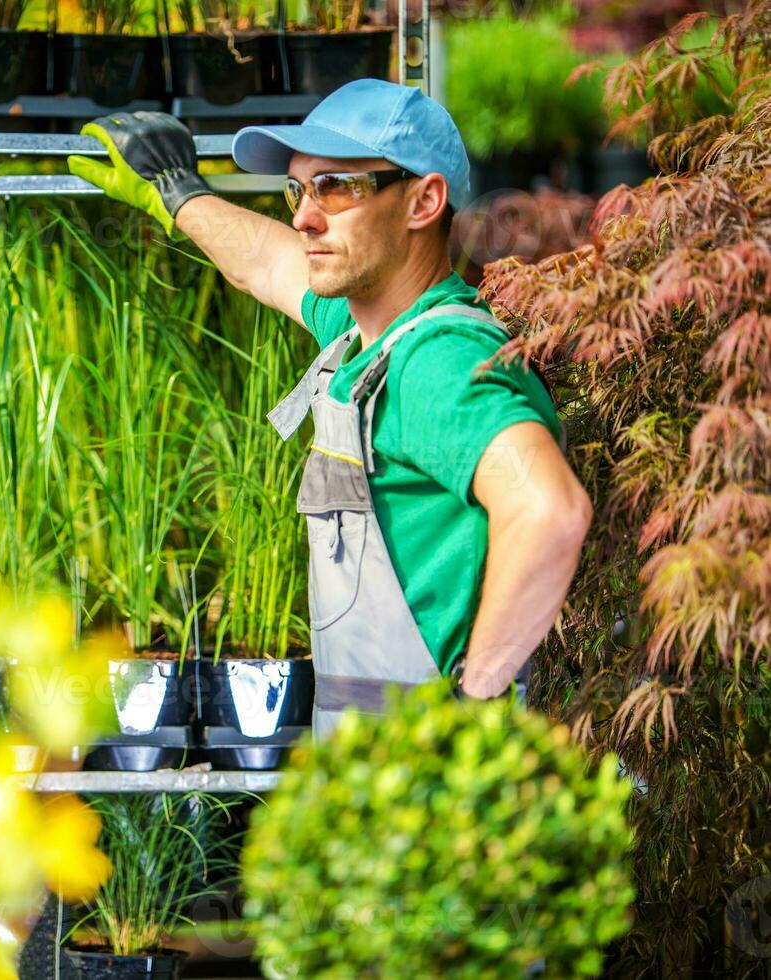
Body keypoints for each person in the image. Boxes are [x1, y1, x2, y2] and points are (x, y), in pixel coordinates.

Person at [66, 79, 592, 737]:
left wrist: (474, 707)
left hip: (432, 781)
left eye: (337, 187)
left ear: (423, 201)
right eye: (297, 190)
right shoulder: (371, 336)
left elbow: (549, 511)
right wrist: (177, 193)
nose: (303, 217)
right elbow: (265, 263)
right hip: (376, 778)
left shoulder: (435, 361)